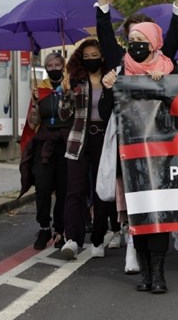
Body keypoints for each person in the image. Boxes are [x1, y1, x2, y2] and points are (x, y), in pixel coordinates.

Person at [97, 0, 178, 293]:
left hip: (164, 152)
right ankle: (146, 273)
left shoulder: (168, 67)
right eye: (132, 41)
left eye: (142, 42)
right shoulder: (120, 67)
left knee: (158, 212)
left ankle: (159, 274)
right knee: (139, 215)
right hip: (131, 152)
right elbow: (105, 34)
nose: (136, 47)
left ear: (155, 44)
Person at [59, 39, 116, 262]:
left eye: (95, 55)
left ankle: (98, 239)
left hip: (104, 138)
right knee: (75, 190)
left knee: (101, 191)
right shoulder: (76, 80)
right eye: (87, 55)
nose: (91, 59)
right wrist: (65, 94)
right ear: (80, 58)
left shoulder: (111, 79)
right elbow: (64, 116)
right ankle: (72, 239)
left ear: (102, 56)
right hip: (78, 140)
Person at [24, 53, 73, 250]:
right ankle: (44, 227)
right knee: (42, 187)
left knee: (63, 189)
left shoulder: (70, 86)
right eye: (49, 65)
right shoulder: (40, 88)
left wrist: (68, 95)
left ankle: (60, 230)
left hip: (65, 144)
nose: (53, 68)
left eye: (57, 64)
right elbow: (32, 123)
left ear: (63, 66)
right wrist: (35, 103)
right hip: (44, 144)